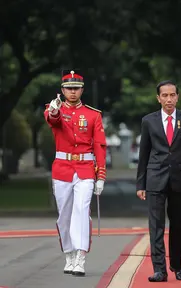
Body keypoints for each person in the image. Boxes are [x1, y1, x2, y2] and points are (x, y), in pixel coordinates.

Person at [44, 70, 107, 276]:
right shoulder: (55, 109)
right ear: (62, 90)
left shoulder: (93, 114)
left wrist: (101, 175)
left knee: (81, 210)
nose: (72, 92)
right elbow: (53, 120)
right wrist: (54, 111)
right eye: (69, 88)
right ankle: (69, 253)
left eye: (76, 88)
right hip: (62, 168)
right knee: (64, 215)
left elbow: (100, 145)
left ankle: (80, 257)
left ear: (82, 90)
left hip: (85, 169)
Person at [136, 80, 181, 282]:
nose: (169, 99)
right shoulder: (149, 121)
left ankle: (177, 265)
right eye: (165, 95)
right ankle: (159, 269)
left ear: (177, 97)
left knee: (179, 224)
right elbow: (144, 153)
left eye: (172, 95)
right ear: (158, 98)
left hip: (180, 180)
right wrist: (141, 184)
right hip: (155, 178)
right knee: (156, 225)